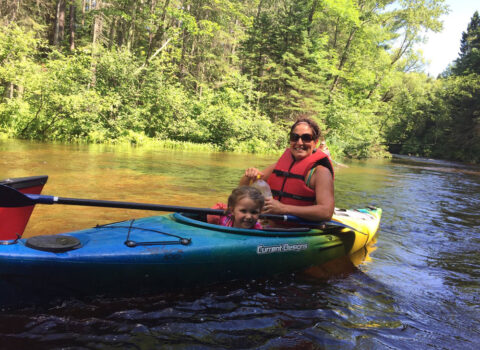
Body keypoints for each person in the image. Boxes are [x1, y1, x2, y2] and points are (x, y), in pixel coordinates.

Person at [239, 116, 335, 223]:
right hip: (271, 227)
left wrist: (283, 208)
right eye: (294, 137)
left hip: (300, 231)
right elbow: (242, 193)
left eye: (306, 138)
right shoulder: (278, 166)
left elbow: (326, 212)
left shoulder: (321, 172)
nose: (299, 142)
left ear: (315, 142)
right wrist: (248, 177)